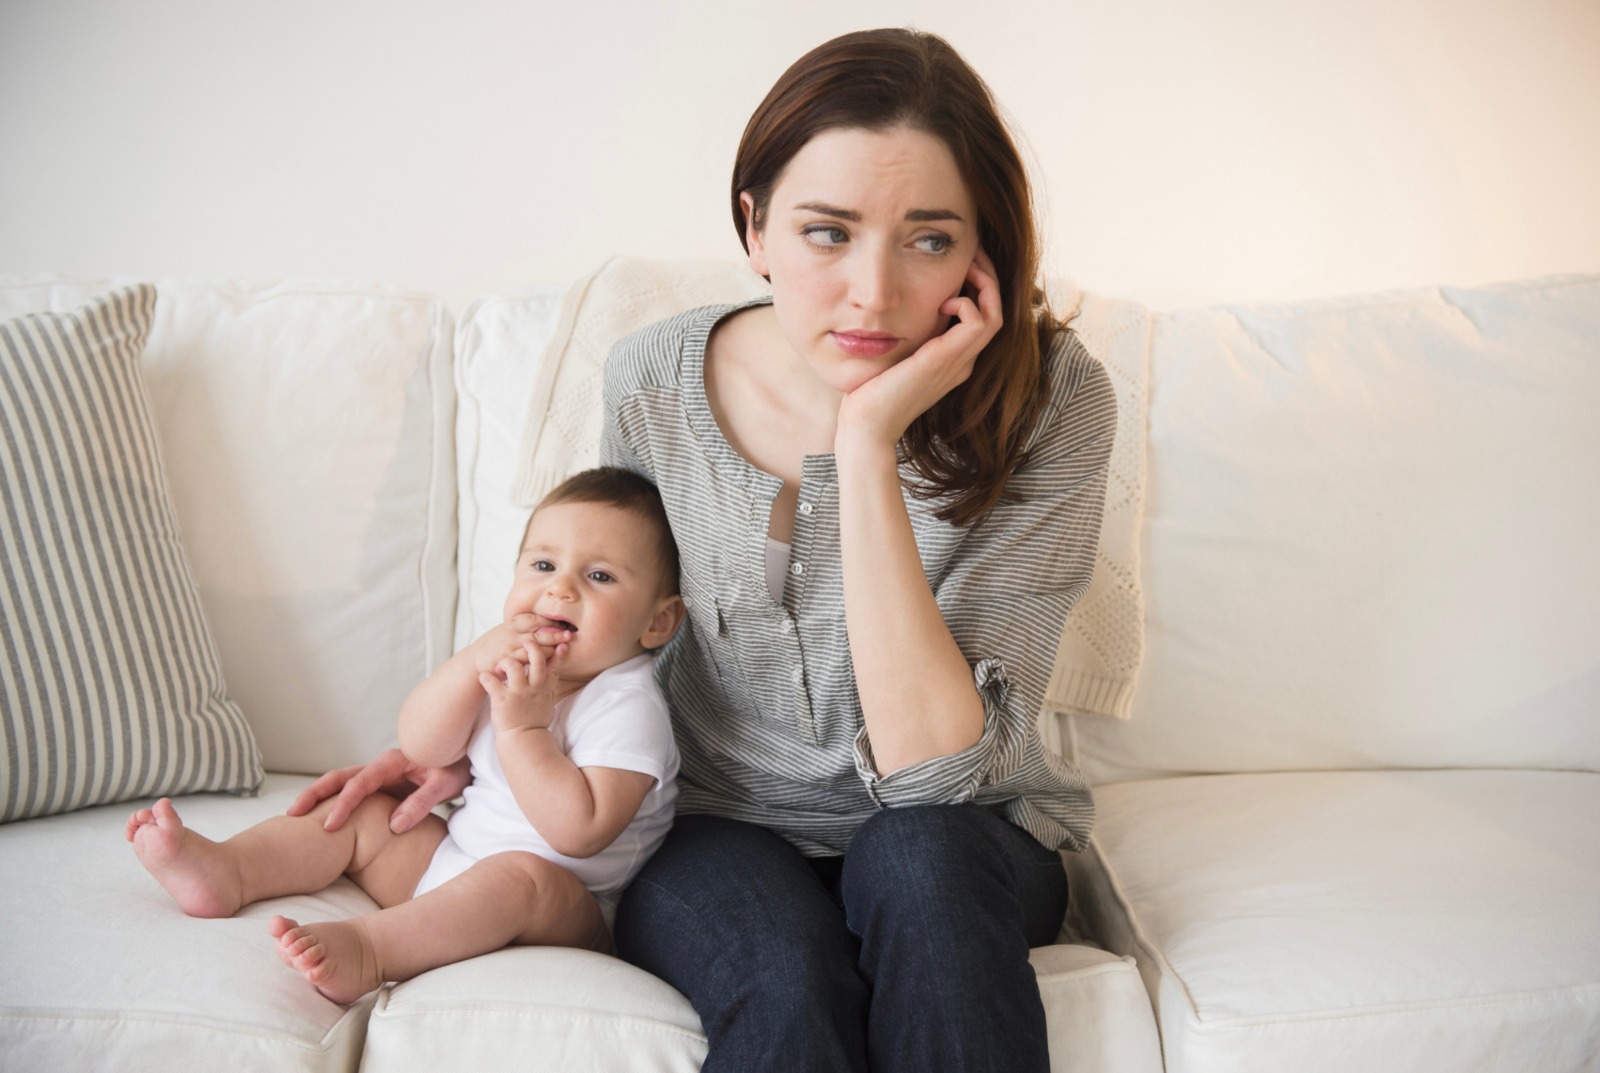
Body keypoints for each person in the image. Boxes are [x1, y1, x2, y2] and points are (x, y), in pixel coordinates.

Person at [292, 27, 1116, 1071]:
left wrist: (863, 442)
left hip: (964, 830)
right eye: (827, 232)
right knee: (782, 969)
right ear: (754, 227)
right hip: (716, 823)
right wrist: (464, 737)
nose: (871, 290)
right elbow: (603, 614)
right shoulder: (651, 382)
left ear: (980, 252)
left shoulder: (1052, 400)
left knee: (920, 867)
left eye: (927, 238)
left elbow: (934, 774)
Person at [127, 467, 686, 1005]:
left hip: (559, 911)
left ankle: (371, 949)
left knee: (525, 877)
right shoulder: (509, 663)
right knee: (366, 814)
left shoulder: (628, 705)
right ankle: (230, 870)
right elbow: (423, 749)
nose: (560, 590)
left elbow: (577, 831)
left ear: (657, 623)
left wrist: (521, 727)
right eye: (543, 565)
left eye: (600, 576)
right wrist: (470, 665)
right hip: (452, 867)